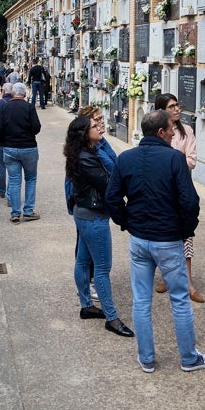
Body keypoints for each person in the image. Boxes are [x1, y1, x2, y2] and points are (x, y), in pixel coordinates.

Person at [106, 109, 205, 374]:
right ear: (160, 132)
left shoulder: (126, 158)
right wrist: (185, 230)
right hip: (167, 239)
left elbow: (112, 198)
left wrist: (127, 222)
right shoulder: (174, 159)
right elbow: (189, 201)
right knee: (179, 299)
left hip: (140, 239)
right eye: (170, 129)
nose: (173, 132)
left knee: (141, 301)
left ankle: (146, 358)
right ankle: (189, 359)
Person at [63, 113, 132, 338]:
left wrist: (101, 141)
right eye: (94, 125)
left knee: (83, 261)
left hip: (85, 214)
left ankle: (86, 306)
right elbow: (108, 183)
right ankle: (112, 318)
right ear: (84, 133)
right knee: (102, 269)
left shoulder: (88, 151)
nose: (99, 127)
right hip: (93, 216)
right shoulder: (86, 157)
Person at [153, 94, 204, 303]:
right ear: (162, 110)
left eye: (177, 105)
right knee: (163, 234)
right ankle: (166, 276)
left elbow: (191, 160)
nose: (177, 109)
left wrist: (171, 162)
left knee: (186, 236)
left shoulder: (187, 131)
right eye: (172, 106)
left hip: (182, 190)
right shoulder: (155, 132)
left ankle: (189, 284)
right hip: (162, 192)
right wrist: (176, 160)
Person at [0, 82, 41, 223]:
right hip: (28, 147)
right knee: (31, 179)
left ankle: (15, 213)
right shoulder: (29, 107)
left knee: (14, 181)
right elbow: (36, 127)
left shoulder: (5, 107)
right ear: (25, 94)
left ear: (12, 93)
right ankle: (28, 211)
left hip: (9, 147)